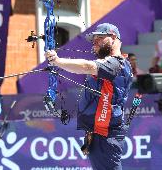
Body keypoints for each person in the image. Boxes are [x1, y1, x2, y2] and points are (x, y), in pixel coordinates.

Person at [45, 23, 133, 170]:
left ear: (113, 38)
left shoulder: (117, 63)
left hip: (106, 134)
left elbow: (87, 66)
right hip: (99, 133)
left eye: (99, 38)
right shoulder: (111, 65)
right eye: (93, 40)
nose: (94, 42)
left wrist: (57, 61)